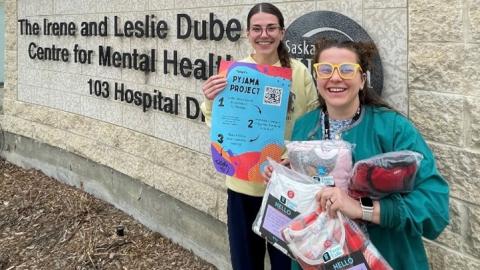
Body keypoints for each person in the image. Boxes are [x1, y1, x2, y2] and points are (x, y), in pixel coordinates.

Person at [287, 38, 449, 270]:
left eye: (346, 69)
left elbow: (435, 207)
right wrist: (284, 180)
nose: (335, 77)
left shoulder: (393, 129)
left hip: (385, 258)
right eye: (325, 70)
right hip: (318, 257)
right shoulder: (305, 127)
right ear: (316, 77)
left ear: (362, 80)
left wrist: (362, 208)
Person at [200, 3, 319, 269]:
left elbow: (312, 126)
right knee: (245, 262)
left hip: (287, 187)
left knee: (285, 263)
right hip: (244, 185)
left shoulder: (299, 72)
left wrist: (292, 158)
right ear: (247, 33)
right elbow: (218, 124)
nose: (264, 34)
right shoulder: (234, 73)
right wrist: (210, 99)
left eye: (271, 28)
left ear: (282, 32)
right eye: (257, 28)